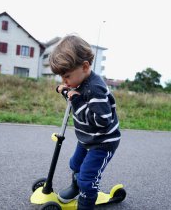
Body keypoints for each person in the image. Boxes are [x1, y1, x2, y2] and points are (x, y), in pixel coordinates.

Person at [49, 35, 121, 210]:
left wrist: (77, 101)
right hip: (87, 138)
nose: (64, 81)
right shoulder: (79, 80)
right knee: (75, 164)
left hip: (102, 142)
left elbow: (103, 121)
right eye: (61, 77)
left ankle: (85, 203)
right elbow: (73, 92)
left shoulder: (95, 89)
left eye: (66, 76)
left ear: (85, 67)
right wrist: (65, 90)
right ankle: (76, 188)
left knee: (87, 179)